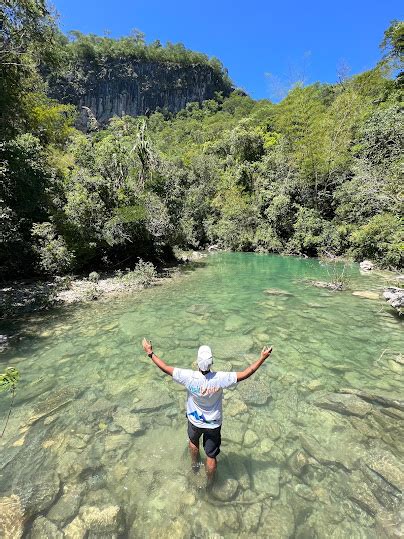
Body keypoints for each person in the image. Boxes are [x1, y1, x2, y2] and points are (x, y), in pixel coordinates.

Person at [142, 337, 272, 481]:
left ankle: (195, 466)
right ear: (212, 362)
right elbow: (247, 372)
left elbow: (165, 368)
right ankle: (210, 482)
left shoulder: (188, 377)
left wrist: (150, 353)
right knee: (211, 455)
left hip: (194, 420)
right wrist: (262, 358)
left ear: (197, 362)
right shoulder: (220, 378)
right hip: (213, 424)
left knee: (193, 442)